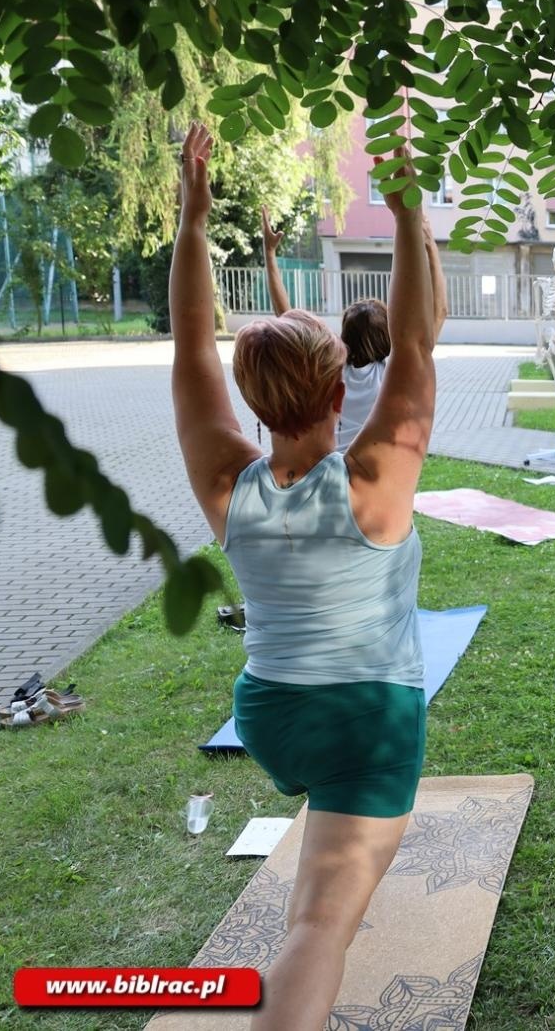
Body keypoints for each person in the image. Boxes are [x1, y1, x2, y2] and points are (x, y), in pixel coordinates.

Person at [170, 124, 446, 1028]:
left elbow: (190, 346)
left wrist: (193, 221)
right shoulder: (376, 483)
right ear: (339, 396)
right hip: (363, 722)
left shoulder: (226, 483)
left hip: (271, 713)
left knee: (314, 917)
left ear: (256, 403)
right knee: (320, 927)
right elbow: (413, 345)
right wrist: (408, 213)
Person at [261, 206, 447, 450]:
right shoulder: (395, 373)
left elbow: (287, 318)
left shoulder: (331, 371)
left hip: (335, 475)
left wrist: (269, 253)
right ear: (387, 335)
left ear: (345, 337)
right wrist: (429, 244)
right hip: (378, 481)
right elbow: (440, 311)